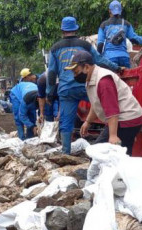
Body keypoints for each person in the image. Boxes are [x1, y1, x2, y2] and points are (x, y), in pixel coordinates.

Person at [47, 16, 120, 154]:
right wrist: (115, 67)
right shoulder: (84, 45)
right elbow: (98, 60)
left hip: (66, 90)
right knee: (106, 111)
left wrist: (49, 93)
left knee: (66, 123)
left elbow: (51, 72)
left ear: (62, 30)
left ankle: (66, 153)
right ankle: (111, 142)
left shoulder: (55, 48)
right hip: (85, 85)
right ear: (76, 29)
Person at [65, 50, 142, 155]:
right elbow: (96, 103)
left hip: (127, 119)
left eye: (76, 71)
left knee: (100, 153)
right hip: (124, 118)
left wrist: (113, 136)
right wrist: (88, 122)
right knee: (121, 154)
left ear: (87, 67)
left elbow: (112, 110)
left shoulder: (103, 81)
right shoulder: (90, 79)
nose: (75, 75)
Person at [97, 1, 142, 68]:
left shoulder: (103, 25)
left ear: (109, 11)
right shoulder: (126, 24)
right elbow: (133, 38)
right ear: (120, 11)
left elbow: (100, 44)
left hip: (109, 58)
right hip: (124, 58)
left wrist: (99, 58)